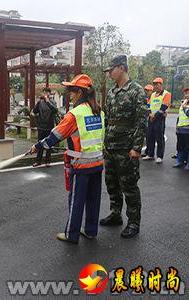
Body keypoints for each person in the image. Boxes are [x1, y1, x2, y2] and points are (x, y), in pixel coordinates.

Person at [30, 74, 104, 244]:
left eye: (71, 91)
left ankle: (72, 234)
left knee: (76, 201)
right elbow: (101, 138)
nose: (69, 94)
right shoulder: (99, 112)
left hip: (81, 166)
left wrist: (39, 146)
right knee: (93, 199)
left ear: (79, 93)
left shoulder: (75, 114)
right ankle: (91, 231)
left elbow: (56, 135)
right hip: (97, 163)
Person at [100, 55, 147, 238]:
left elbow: (141, 122)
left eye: (111, 70)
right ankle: (115, 214)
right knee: (112, 184)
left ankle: (134, 222)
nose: (109, 73)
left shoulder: (137, 91)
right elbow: (108, 119)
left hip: (127, 150)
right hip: (111, 148)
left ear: (121, 68)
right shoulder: (112, 92)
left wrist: (136, 148)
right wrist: (105, 144)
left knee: (129, 186)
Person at [142, 77, 171, 163]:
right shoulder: (153, 94)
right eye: (154, 84)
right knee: (150, 136)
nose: (156, 86)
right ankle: (150, 154)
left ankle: (160, 156)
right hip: (151, 118)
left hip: (159, 119)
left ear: (161, 85)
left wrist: (155, 116)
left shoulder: (166, 94)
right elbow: (148, 105)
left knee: (159, 138)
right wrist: (150, 114)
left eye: (157, 84)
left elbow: (164, 107)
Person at [30, 88, 58, 167]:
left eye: (47, 92)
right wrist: (36, 118)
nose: (45, 94)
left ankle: (48, 161)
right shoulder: (39, 102)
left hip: (50, 127)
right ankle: (38, 161)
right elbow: (34, 112)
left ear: (50, 93)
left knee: (49, 144)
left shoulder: (53, 102)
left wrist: (48, 102)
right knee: (40, 144)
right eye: (44, 92)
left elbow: (55, 111)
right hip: (41, 127)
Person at [173, 87, 189, 170]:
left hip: (187, 130)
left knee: (188, 147)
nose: (186, 95)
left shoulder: (184, 105)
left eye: (188, 93)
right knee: (180, 146)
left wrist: (185, 107)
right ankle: (180, 161)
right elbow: (180, 117)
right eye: (185, 93)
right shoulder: (183, 103)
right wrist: (177, 127)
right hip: (180, 130)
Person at [142, 85, 153, 157]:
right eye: (146, 90)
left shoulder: (153, 98)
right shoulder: (146, 99)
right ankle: (147, 151)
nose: (147, 92)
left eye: (148, 90)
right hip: (146, 119)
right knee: (147, 136)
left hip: (151, 120)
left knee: (150, 137)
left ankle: (149, 153)